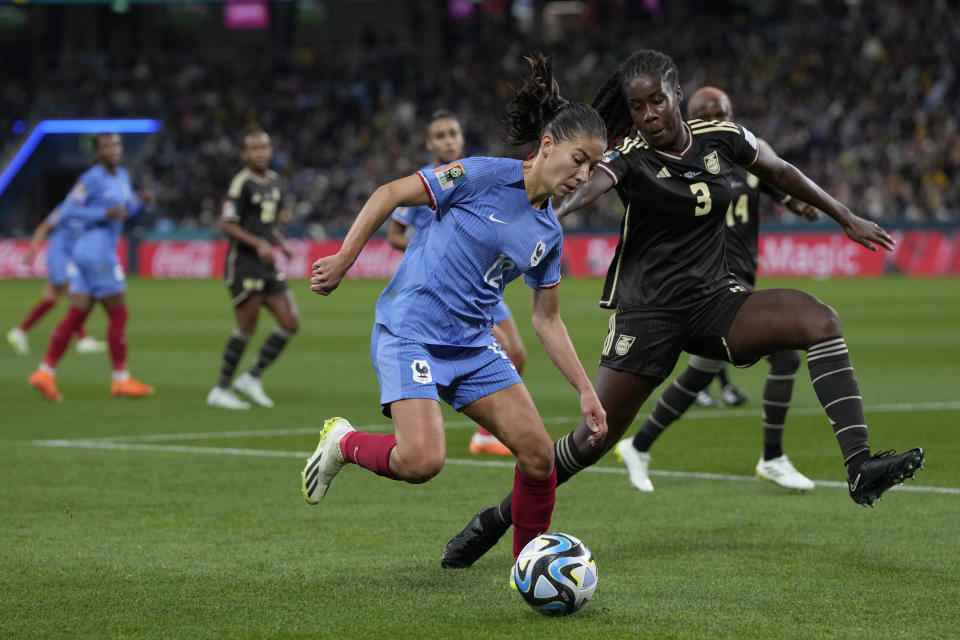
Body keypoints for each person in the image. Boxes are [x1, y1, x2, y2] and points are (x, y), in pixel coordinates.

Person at [440, 50, 925, 569]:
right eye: (637, 106)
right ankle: (495, 520)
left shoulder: (723, 137)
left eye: (656, 101)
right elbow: (585, 191)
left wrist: (844, 216)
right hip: (647, 317)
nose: (649, 114)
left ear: (676, 94)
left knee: (819, 319)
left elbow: (781, 171)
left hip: (716, 302)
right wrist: (541, 213)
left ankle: (859, 467)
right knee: (591, 441)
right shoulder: (627, 155)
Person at [300, 54, 609, 561]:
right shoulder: (483, 175)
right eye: (579, 159)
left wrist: (585, 391)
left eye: (593, 166)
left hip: (472, 346)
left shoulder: (549, 232)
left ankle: (526, 567)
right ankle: (344, 443)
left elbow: (546, 318)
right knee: (421, 461)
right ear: (548, 145)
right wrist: (344, 258)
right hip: (410, 331)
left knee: (538, 457)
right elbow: (389, 193)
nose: (584, 174)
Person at [616, 86, 821, 493]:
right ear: (688, 116)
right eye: (704, 113)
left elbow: (780, 185)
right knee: (785, 357)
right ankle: (773, 457)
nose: (713, 118)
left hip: (739, 280)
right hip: (710, 284)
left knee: (698, 375)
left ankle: (638, 445)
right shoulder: (680, 162)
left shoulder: (742, 153)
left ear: (731, 112)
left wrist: (802, 204)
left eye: (720, 111)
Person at [387, 109, 523, 456]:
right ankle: (445, 402)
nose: (449, 140)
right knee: (499, 343)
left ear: (461, 138)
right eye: (441, 135)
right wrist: (429, 246)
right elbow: (394, 235)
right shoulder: (425, 180)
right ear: (430, 143)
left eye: (453, 133)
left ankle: (484, 433)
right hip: (450, 281)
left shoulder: (473, 175)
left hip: (485, 279)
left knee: (517, 352)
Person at [27, 133, 154, 401]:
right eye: (107, 146)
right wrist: (102, 213)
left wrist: (140, 203)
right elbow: (70, 211)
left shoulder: (122, 177)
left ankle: (45, 372)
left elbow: (124, 211)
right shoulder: (90, 178)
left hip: (90, 254)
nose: (114, 149)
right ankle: (121, 379)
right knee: (119, 315)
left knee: (76, 316)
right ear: (97, 152)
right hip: (97, 254)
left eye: (117, 144)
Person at [206, 125, 299, 410]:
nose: (260, 153)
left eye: (264, 147)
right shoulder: (241, 183)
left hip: (267, 264)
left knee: (290, 322)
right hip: (244, 264)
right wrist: (259, 243)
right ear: (244, 153)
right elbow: (226, 223)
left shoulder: (274, 182)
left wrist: (279, 242)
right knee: (247, 327)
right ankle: (220, 389)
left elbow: (267, 224)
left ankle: (251, 377)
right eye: (254, 148)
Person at [6, 206, 107, 356]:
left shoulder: (90, 212)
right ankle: (83, 339)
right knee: (77, 296)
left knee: (50, 300)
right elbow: (44, 226)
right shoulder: (67, 208)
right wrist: (33, 248)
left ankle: (20, 332)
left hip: (69, 258)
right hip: (58, 258)